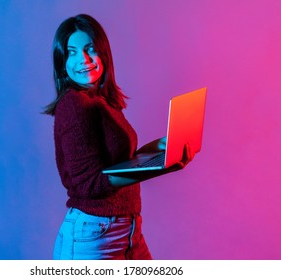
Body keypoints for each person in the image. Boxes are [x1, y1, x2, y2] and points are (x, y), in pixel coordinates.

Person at [44, 14, 194, 260]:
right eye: (71, 52)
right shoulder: (74, 104)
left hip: (127, 231)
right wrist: (159, 167)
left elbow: (120, 161)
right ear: (62, 62)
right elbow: (90, 183)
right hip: (94, 237)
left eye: (89, 49)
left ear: (103, 53)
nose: (83, 59)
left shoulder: (99, 100)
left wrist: (161, 146)